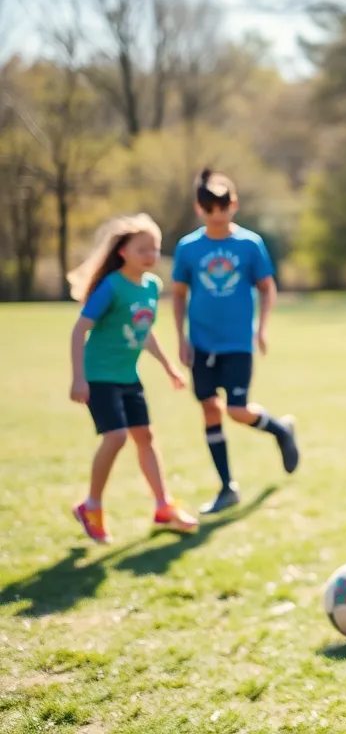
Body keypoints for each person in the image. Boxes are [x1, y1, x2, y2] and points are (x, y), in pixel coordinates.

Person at [172, 169, 300, 515]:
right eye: (209, 206)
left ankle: (280, 430)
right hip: (201, 343)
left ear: (234, 205)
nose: (217, 213)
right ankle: (227, 486)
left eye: (222, 205)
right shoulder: (188, 248)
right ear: (199, 209)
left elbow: (267, 287)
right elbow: (179, 294)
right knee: (210, 410)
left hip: (237, 343)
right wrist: (181, 337)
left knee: (238, 410)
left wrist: (262, 327)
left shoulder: (248, 244)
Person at [66, 215, 199, 544]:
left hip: (128, 375)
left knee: (145, 436)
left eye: (155, 248)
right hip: (99, 376)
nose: (151, 254)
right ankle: (91, 506)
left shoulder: (152, 285)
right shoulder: (112, 286)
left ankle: (163, 506)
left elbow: (144, 331)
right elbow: (80, 329)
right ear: (123, 251)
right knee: (116, 437)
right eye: (143, 248)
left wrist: (169, 367)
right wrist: (78, 378)